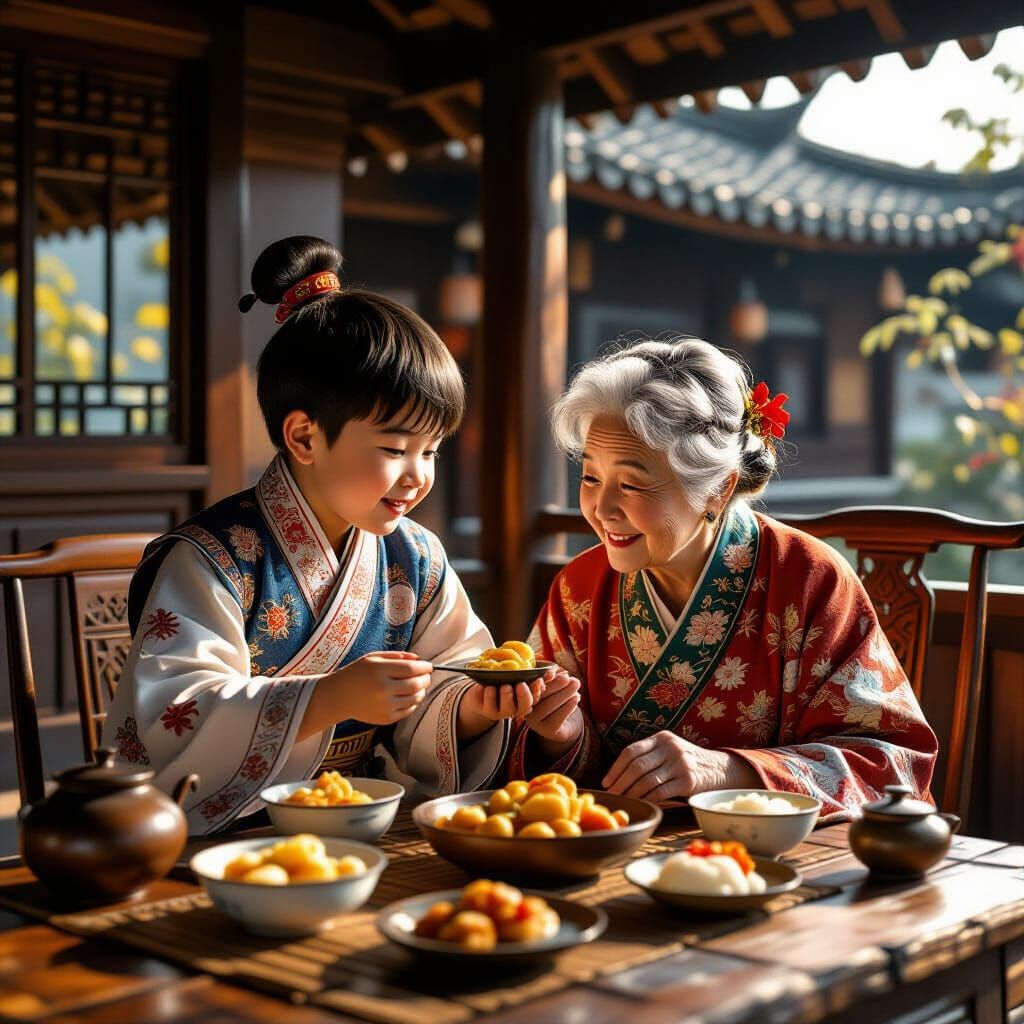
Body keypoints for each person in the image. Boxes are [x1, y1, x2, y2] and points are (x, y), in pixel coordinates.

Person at [102, 235, 551, 833]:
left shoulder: (416, 557)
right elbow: (176, 714)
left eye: (431, 451)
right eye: (394, 449)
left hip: (365, 821)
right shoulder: (212, 559)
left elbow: (452, 671)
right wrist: (328, 699)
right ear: (305, 437)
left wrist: (475, 707)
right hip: (229, 835)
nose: (418, 476)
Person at [509, 337, 937, 821]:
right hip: (620, 848)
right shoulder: (580, 587)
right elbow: (541, 772)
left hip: (776, 854)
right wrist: (562, 736)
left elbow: (890, 766)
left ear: (718, 488)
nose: (602, 508)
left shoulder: (808, 579)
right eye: (590, 478)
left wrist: (727, 771)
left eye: (630, 484)